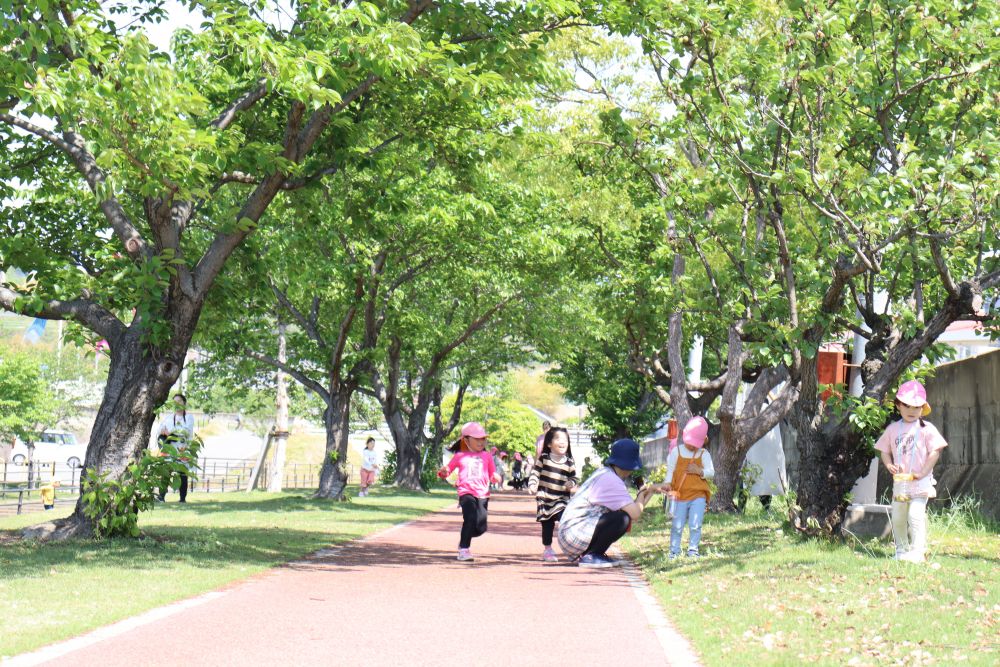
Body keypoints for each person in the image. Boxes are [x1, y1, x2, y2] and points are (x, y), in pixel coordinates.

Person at [875, 380, 948, 563]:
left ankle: (918, 550)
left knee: (915, 514)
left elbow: (936, 451)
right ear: (898, 405)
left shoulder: (927, 429)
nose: (911, 410)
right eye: (906, 405)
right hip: (900, 481)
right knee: (898, 515)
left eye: (916, 406)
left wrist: (923, 472)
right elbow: (884, 450)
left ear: (923, 408)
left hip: (920, 481)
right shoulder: (893, 429)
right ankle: (901, 550)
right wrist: (889, 464)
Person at [558, 438, 659, 568]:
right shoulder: (612, 480)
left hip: (570, 533)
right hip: (574, 534)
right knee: (622, 519)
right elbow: (635, 514)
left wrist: (650, 491)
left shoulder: (605, 473)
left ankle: (592, 554)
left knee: (622, 516)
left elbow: (633, 508)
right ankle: (592, 555)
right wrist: (641, 492)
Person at [437, 422, 501, 561]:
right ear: (466, 440)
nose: (481, 441)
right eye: (477, 438)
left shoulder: (487, 456)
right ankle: (464, 549)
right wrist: (443, 472)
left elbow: (492, 474)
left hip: (483, 494)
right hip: (466, 492)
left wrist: (496, 477)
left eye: (483, 438)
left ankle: (465, 536)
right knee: (470, 518)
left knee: (481, 527)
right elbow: (447, 472)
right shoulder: (459, 456)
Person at [662, 416, 714, 559]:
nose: (692, 446)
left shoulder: (703, 454)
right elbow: (670, 470)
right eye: (691, 442)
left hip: (698, 495)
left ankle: (693, 550)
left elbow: (711, 472)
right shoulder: (676, 452)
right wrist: (667, 483)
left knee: (695, 524)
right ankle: (674, 551)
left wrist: (699, 471)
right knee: (677, 525)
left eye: (696, 443)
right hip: (680, 495)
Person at [528, 426, 577, 562]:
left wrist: (570, 484)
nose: (562, 442)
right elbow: (535, 472)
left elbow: (574, 477)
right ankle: (548, 549)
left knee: (567, 522)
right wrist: (532, 483)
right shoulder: (544, 458)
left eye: (565, 439)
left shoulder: (569, 461)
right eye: (558, 439)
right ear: (549, 443)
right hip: (545, 498)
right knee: (547, 525)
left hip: (561, 499)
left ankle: (575, 548)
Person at [157, 393, 195, 503]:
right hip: (169, 449)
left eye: (179, 401)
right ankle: (161, 497)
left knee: (182, 474)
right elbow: (160, 430)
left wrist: (171, 433)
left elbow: (186, 432)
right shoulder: (168, 417)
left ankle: (182, 499)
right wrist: (164, 432)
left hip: (182, 449)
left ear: (184, 403)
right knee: (165, 474)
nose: (177, 404)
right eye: (175, 402)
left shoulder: (189, 417)